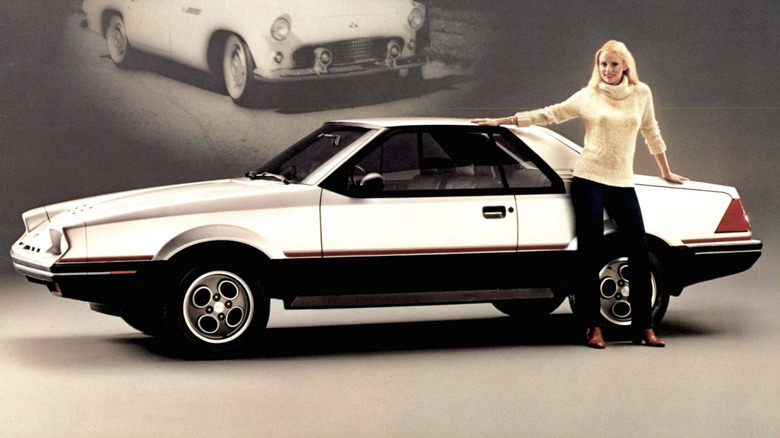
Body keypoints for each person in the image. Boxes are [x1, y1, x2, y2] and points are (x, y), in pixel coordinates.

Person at [472, 40, 687, 348]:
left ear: (626, 65)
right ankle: (593, 327)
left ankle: (644, 327)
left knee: (639, 254)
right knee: (590, 253)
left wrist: (666, 170)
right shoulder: (589, 96)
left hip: (622, 182)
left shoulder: (642, 94)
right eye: (602, 65)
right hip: (589, 180)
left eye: (613, 64)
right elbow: (549, 114)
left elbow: (651, 131)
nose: (608, 70)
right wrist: (502, 121)